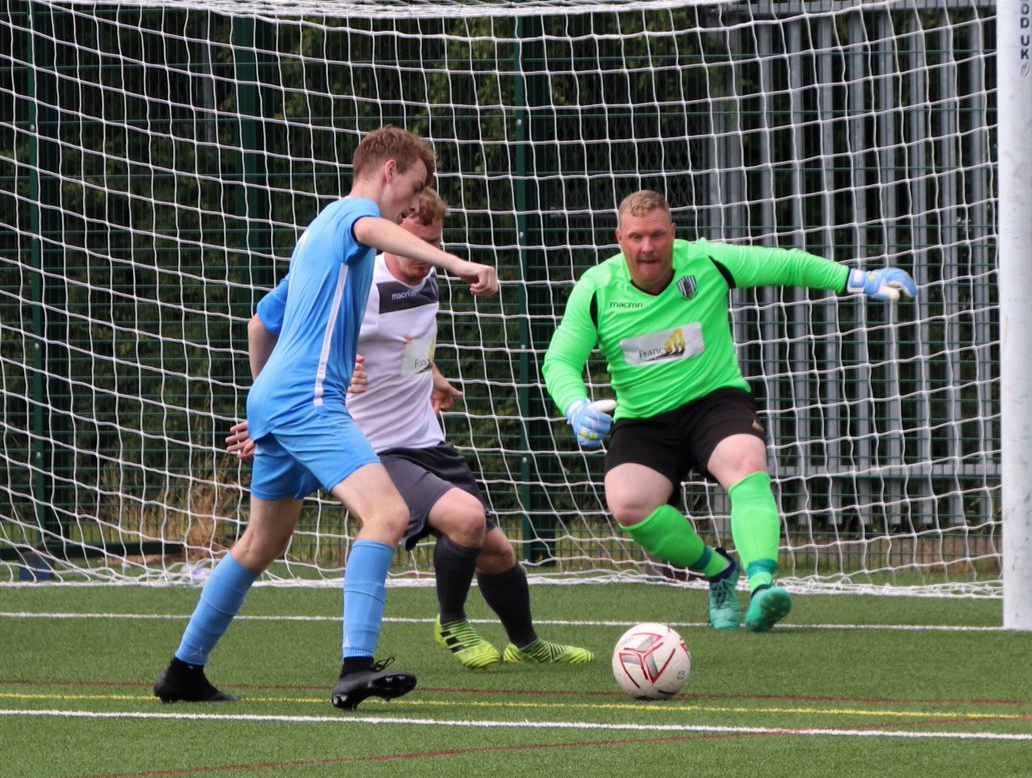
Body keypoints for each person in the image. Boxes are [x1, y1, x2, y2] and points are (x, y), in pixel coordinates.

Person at [153, 126, 498, 711]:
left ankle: (183, 671)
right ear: (388, 170)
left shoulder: (315, 235)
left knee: (261, 542)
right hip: (308, 399)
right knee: (387, 515)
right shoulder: (350, 217)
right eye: (413, 187)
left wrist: (263, 406)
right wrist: (458, 263)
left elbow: (261, 324)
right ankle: (356, 667)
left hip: (282, 399)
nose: (415, 202)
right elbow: (373, 226)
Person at [227, 189, 594, 671]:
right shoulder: (362, 282)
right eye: (417, 243)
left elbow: (408, 343)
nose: (425, 257)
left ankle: (526, 644)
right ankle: (451, 622)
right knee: (465, 518)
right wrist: (279, 411)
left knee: (498, 551)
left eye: (435, 242)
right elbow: (284, 334)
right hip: (378, 449)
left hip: (427, 439)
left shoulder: (428, 281)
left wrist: (432, 377)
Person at [541, 189, 916, 633]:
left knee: (746, 464)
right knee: (627, 504)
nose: (648, 247)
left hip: (714, 402)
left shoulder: (707, 261)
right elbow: (560, 360)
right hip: (643, 418)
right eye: (637, 237)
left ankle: (762, 587)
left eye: (658, 235)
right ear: (619, 237)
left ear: (673, 233)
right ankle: (719, 572)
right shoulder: (596, 289)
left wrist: (858, 279)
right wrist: (575, 405)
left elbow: (786, 263)